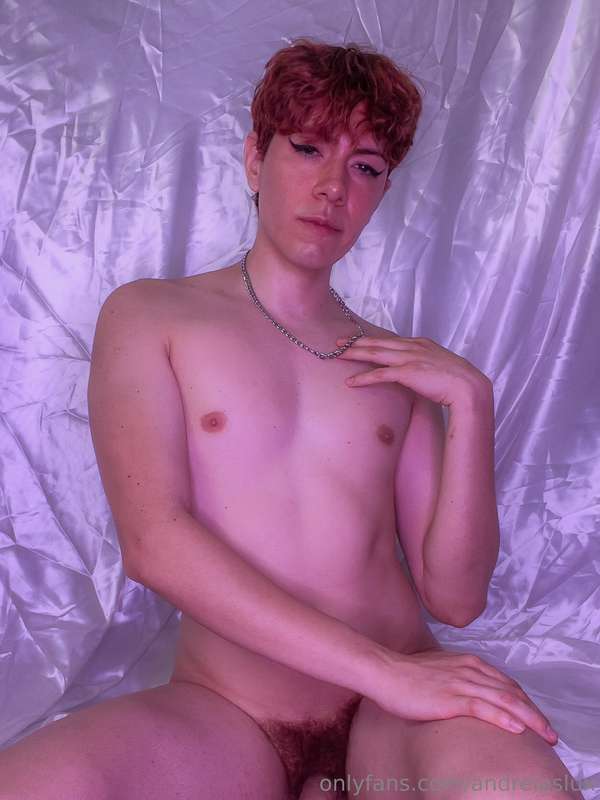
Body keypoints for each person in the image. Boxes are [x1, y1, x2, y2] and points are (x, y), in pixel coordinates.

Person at [0, 38, 583, 800]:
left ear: (382, 190)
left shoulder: (397, 367)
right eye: (308, 149)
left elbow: (457, 599)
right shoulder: (152, 317)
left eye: (365, 167)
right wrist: (385, 671)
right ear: (255, 158)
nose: (333, 187)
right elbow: (153, 544)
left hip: (394, 716)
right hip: (230, 714)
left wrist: (471, 404)